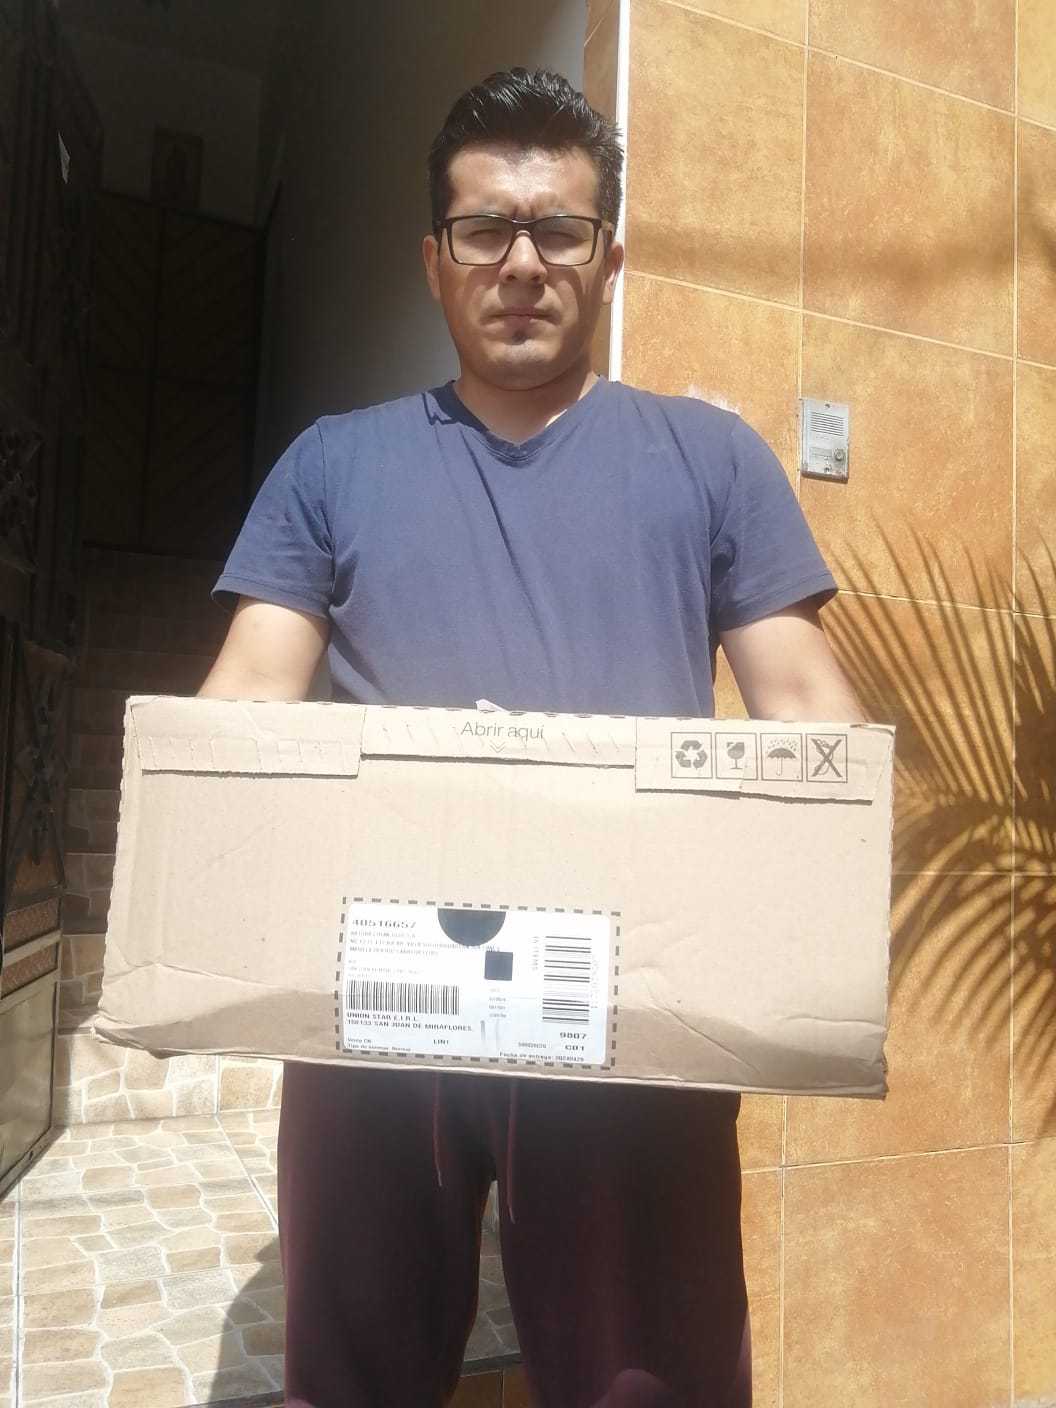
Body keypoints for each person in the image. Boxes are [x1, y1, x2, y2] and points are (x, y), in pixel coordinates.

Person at [202, 68, 863, 1408]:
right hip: (380, 1001)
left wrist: (796, 952)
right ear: (434, 260)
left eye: (558, 230)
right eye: (484, 230)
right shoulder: (331, 465)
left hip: (632, 1005)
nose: (521, 263)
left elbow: (812, 717)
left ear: (609, 257)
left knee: (648, 1383)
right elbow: (246, 706)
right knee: (353, 1377)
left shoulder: (713, 459)